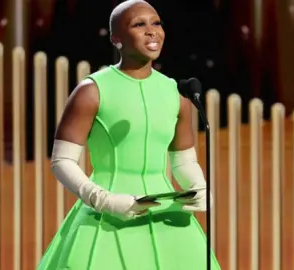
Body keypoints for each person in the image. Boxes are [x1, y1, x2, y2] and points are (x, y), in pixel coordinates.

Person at [37, 0, 221, 269]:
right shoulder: (92, 90)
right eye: (139, 24)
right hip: (108, 218)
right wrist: (104, 200)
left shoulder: (176, 93)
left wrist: (198, 187)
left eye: (156, 23)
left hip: (166, 217)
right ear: (116, 38)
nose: (151, 31)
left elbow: (183, 161)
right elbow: (62, 162)